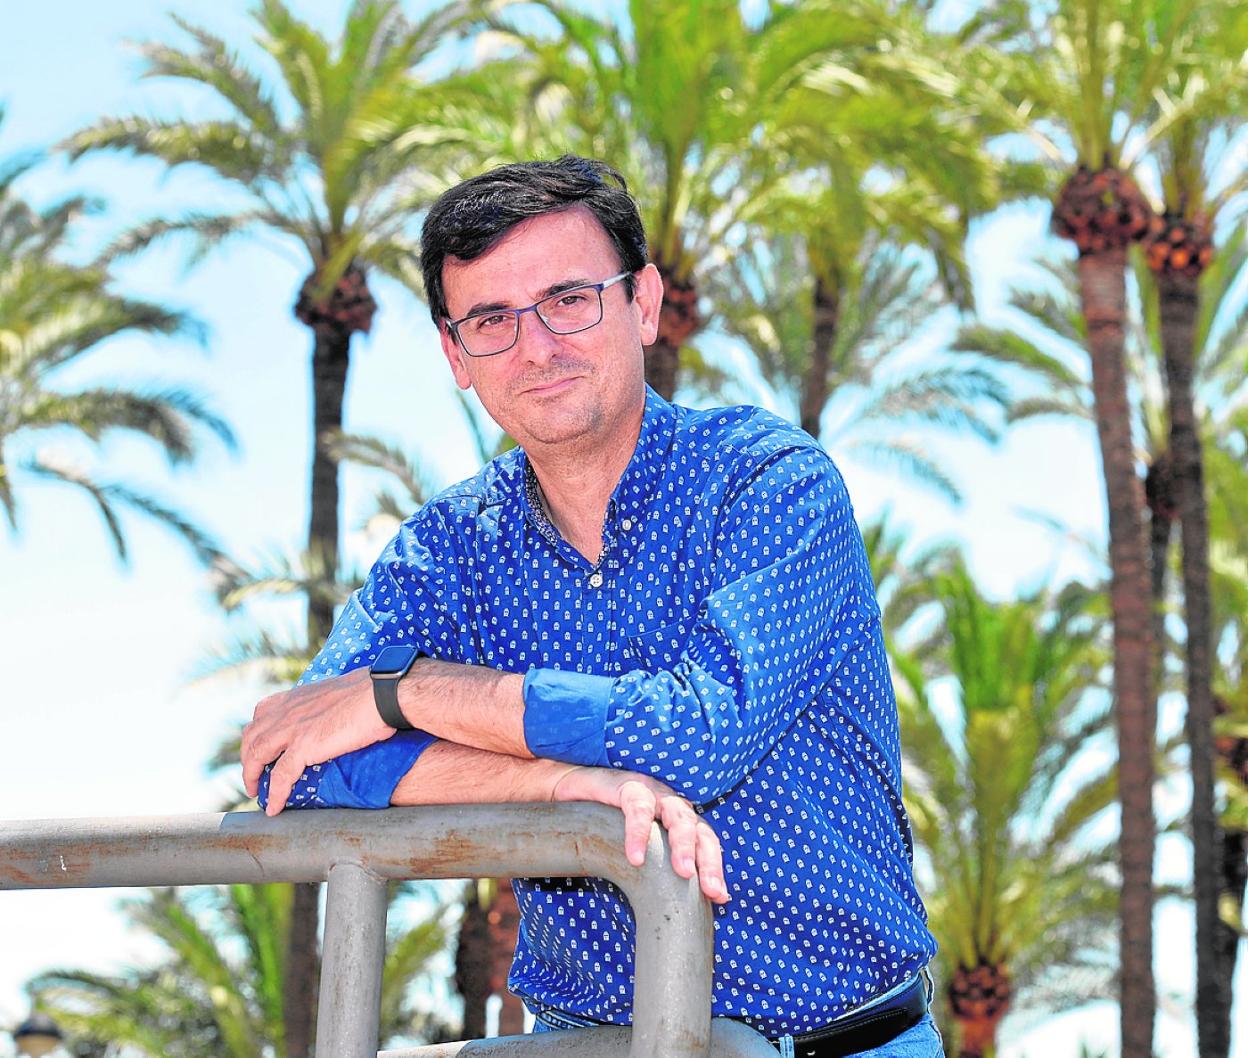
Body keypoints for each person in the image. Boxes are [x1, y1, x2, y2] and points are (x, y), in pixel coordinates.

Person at [241, 156, 940, 1057]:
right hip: (584, 1046)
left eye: (569, 299)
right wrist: (563, 786)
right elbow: (291, 763)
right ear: (455, 355)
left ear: (642, 303)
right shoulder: (452, 547)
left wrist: (407, 695)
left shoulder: (769, 484)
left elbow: (696, 735)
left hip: (844, 1045)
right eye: (491, 319)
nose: (535, 347)